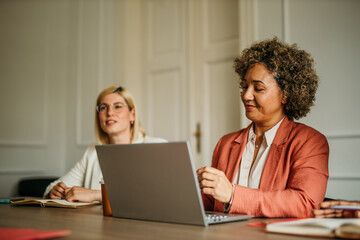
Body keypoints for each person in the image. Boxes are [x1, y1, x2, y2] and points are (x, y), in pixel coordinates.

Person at [197, 37, 329, 218]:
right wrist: (198, 188)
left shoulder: (310, 141)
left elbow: (306, 203)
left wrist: (233, 194)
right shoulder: (226, 143)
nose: (246, 96)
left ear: (286, 94)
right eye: (244, 87)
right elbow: (211, 206)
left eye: (258, 89)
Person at [43, 86, 166, 202]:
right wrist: (55, 192)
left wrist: (95, 194)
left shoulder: (157, 147)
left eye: (117, 106)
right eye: (103, 107)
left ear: (132, 114)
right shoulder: (92, 152)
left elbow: (160, 194)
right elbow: (51, 188)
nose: (110, 113)